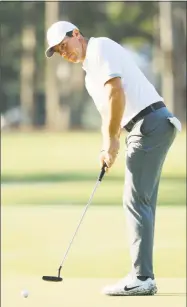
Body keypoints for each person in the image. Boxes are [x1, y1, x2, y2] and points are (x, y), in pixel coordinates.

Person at [45, 21, 181, 296]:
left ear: (77, 35)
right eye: (59, 51)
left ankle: (142, 277)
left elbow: (115, 92)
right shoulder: (88, 75)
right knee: (141, 200)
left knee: (134, 200)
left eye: (64, 44)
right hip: (148, 126)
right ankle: (144, 275)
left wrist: (113, 142)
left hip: (149, 124)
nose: (64, 52)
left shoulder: (100, 48)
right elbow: (109, 113)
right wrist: (106, 147)